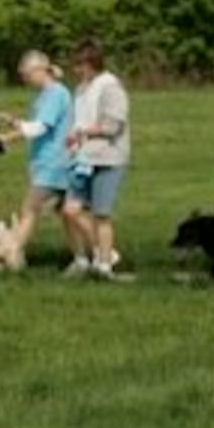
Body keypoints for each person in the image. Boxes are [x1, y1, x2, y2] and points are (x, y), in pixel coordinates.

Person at [0, 50, 79, 269]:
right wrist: (9, 138)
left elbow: (39, 128)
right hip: (49, 162)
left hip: (54, 163)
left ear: (40, 70)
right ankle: (87, 256)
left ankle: (12, 255)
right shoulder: (44, 95)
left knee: (30, 209)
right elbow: (36, 128)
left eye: (26, 75)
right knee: (67, 213)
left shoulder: (56, 94)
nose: (25, 80)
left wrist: (12, 122)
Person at [62, 38, 129, 280]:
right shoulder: (81, 89)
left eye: (80, 65)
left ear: (91, 64)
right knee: (70, 210)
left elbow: (113, 124)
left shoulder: (110, 87)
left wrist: (85, 132)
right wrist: (73, 136)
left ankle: (104, 265)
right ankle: (105, 253)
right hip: (83, 158)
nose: (76, 71)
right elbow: (78, 119)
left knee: (102, 214)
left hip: (108, 158)